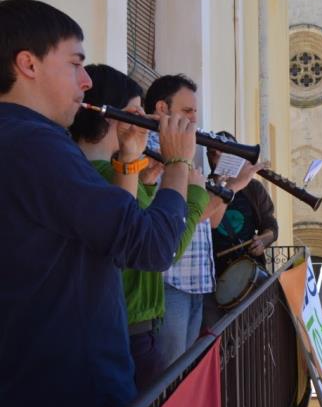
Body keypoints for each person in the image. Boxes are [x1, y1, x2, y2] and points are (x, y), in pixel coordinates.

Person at [0, 0, 195, 407]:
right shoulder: (37, 146)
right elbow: (151, 246)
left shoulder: (22, 140)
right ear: (28, 64)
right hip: (70, 399)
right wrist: (180, 164)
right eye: (75, 63)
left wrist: (129, 158)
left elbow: (113, 235)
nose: (86, 81)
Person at [69, 64, 210, 390]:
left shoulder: (108, 168)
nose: (145, 122)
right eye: (136, 113)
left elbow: (130, 220)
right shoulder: (100, 172)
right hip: (130, 325)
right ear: (111, 117)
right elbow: (160, 247)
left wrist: (143, 174)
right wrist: (182, 169)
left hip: (130, 322)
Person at [145, 75, 264, 370]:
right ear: (162, 108)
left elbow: (209, 221)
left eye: (195, 113)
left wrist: (223, 183)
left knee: (183, 373)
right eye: (187, 112)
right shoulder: (151, 151)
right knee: (167, 375)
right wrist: (234, 186)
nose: (195, 120)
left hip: (196, 279)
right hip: (170, 280)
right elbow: (187, 215)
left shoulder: (186, 153)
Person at [207, 131, 277, 272]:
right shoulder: (203, 187)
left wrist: (263, 241)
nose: (219, 158)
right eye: (215, 153)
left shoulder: (253, 188)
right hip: (214, 271)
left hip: (250, 266)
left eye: (226, 152)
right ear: (210, 157)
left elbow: (270, 224)